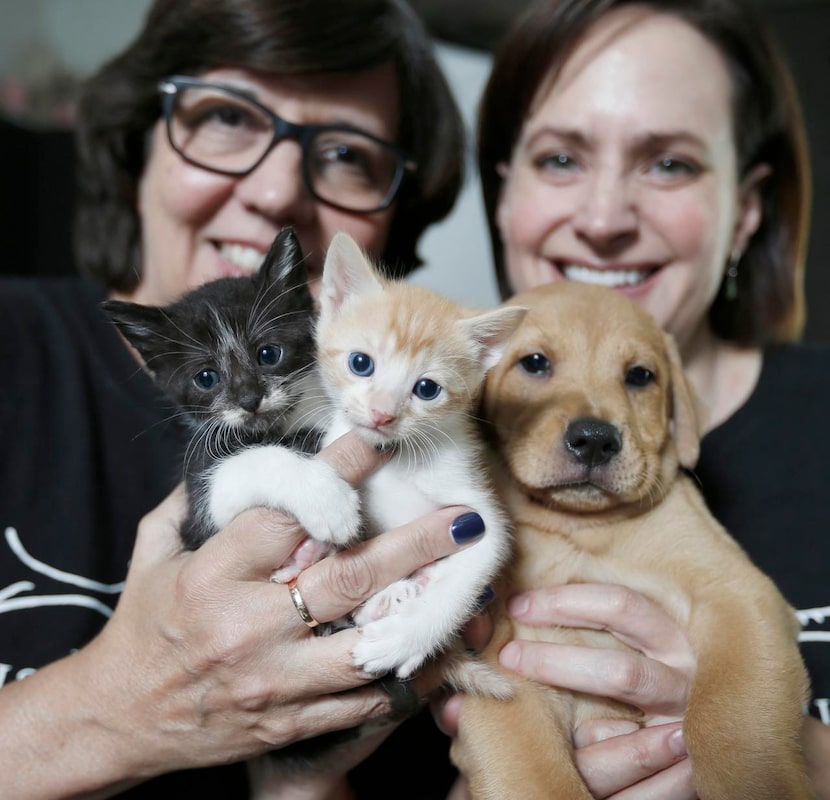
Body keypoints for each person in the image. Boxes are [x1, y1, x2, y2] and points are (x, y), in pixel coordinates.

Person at [0, 1, 476, 797]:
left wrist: (301, 779)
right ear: (137, 137)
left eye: (348, 155)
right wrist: (113, 709)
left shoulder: (412, 418)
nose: (277, 191)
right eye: (227, 116)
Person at [434, 0, 830, 797]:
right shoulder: (444, 464)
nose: (605, 219)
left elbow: (738, 610)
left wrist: (792, 761)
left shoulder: (677, 503)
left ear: (747, 208)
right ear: (503, 193)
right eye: (560, 159)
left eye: (669, 163)